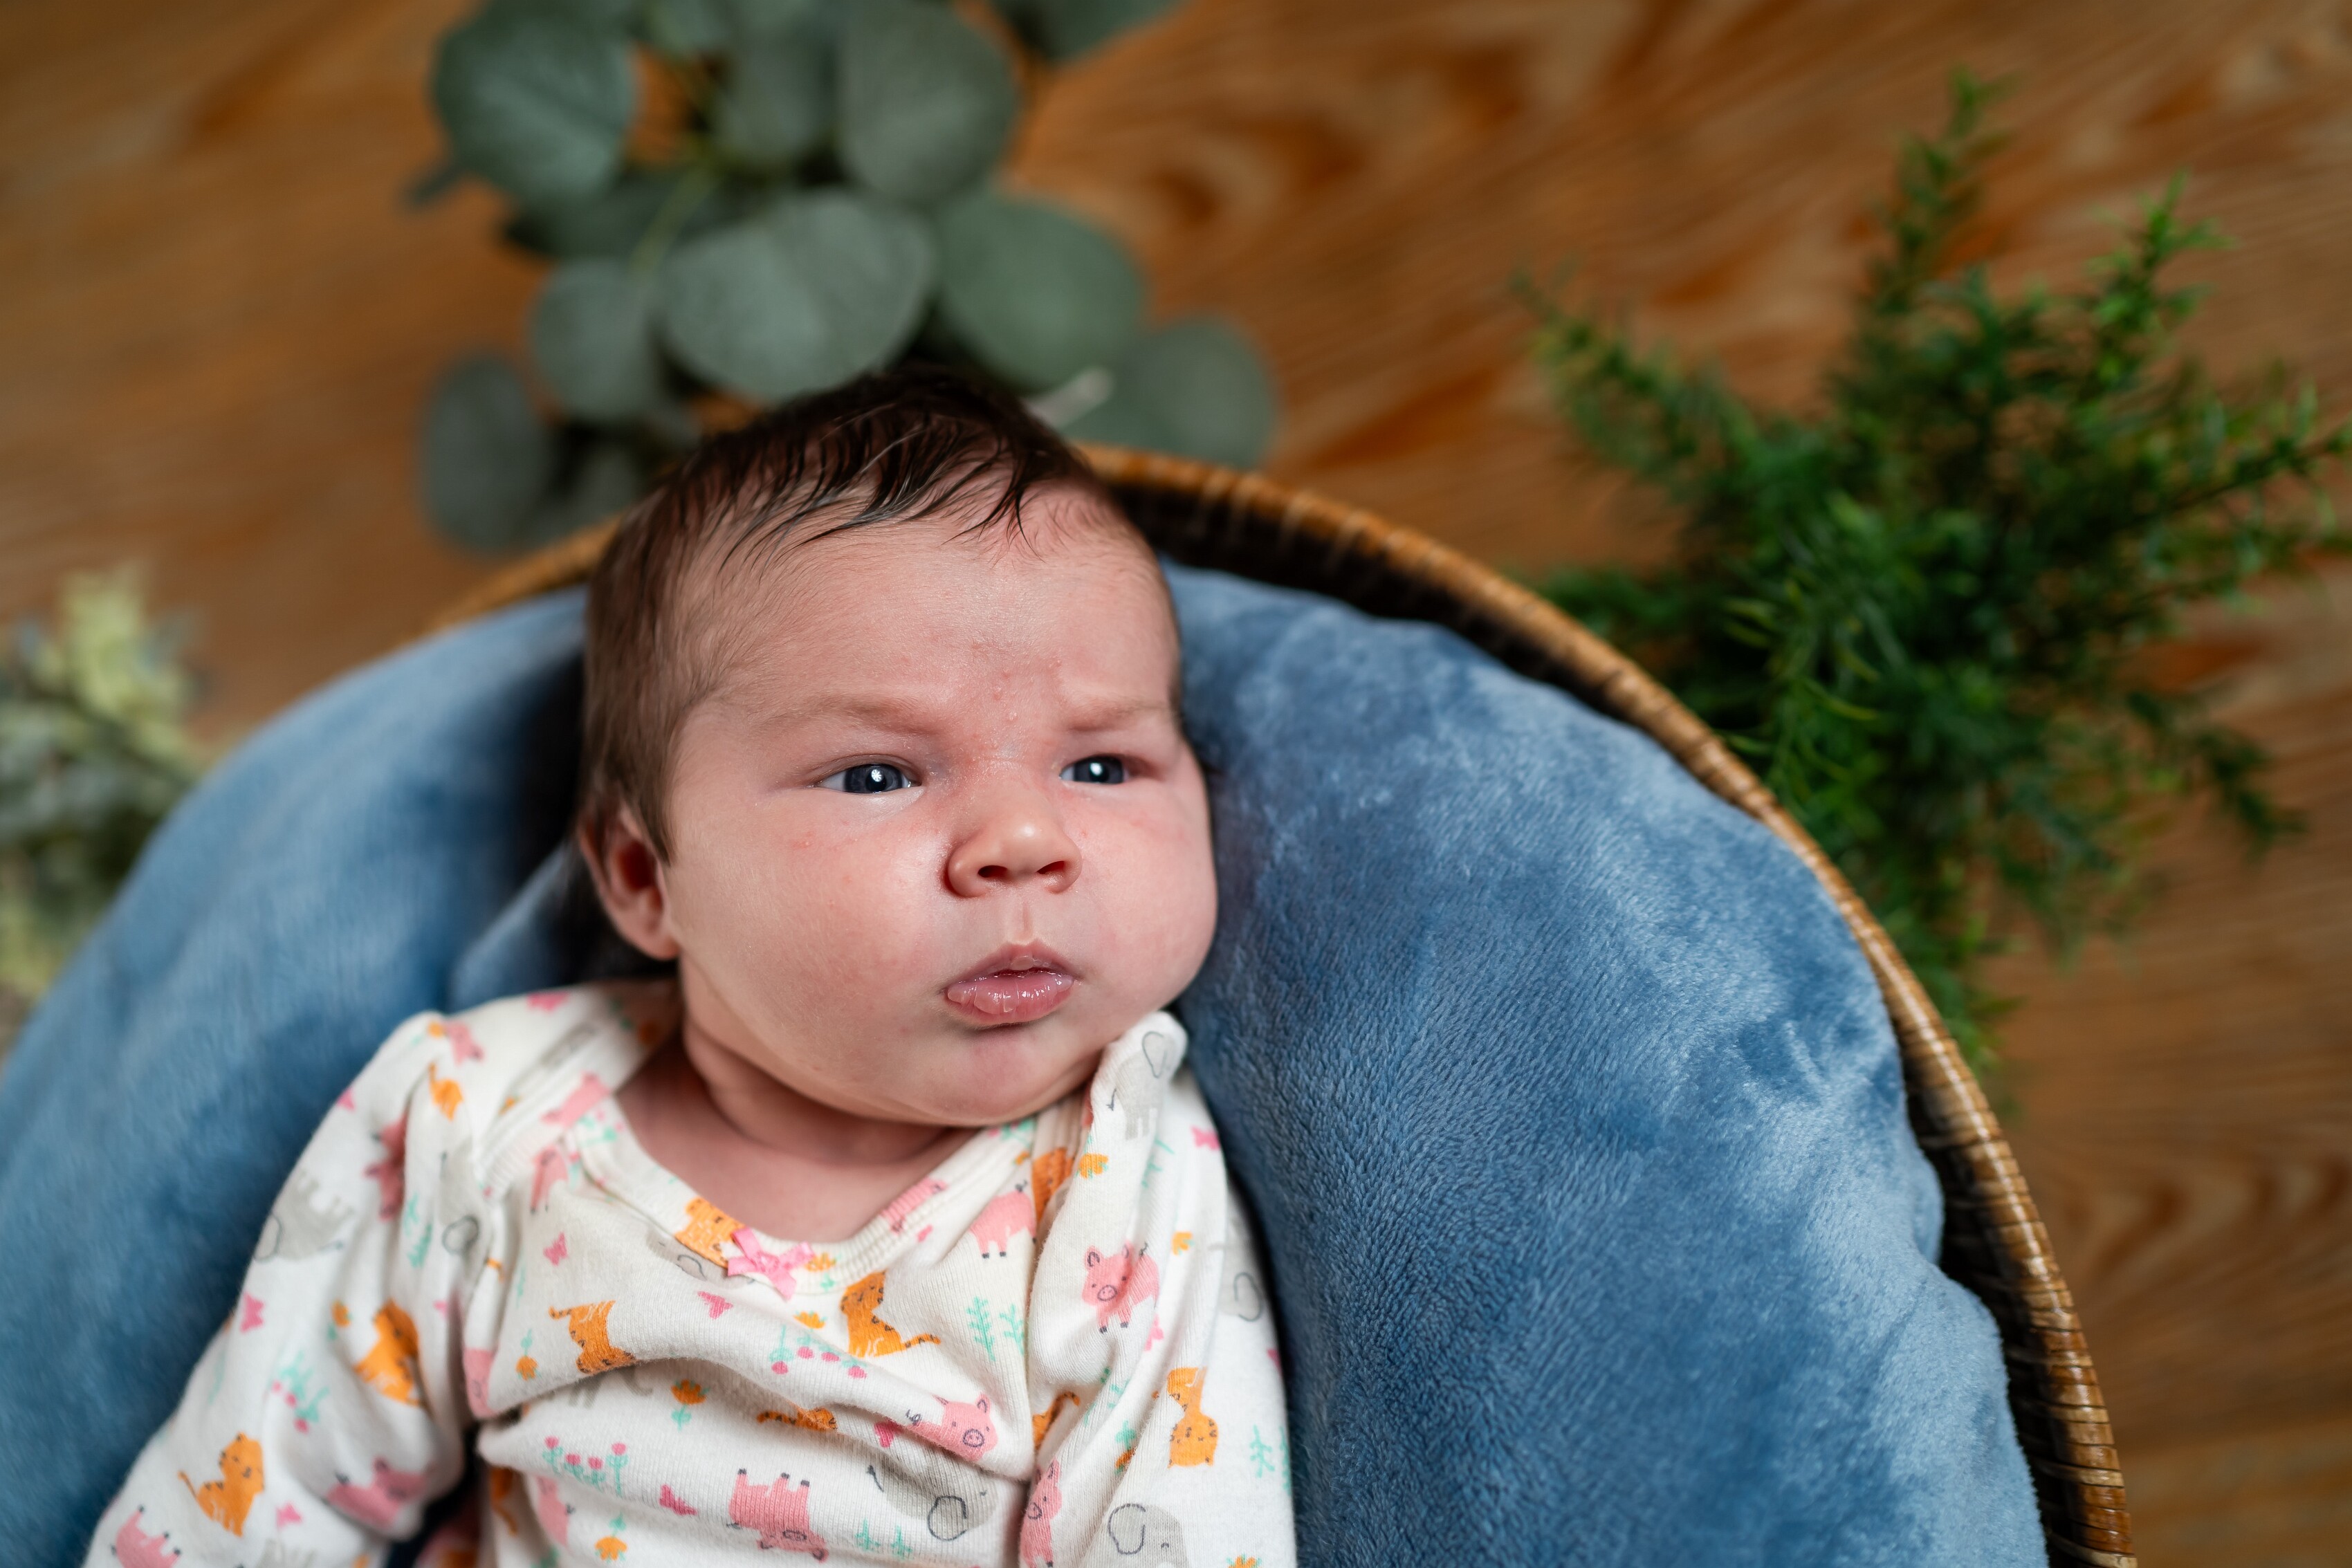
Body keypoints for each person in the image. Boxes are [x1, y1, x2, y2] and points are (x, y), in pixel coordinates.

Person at [84, 368, 1292, 1568]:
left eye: (1101, 767)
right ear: (645, 877)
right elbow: (246, 1497)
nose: (1025, 841)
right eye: (877, 775)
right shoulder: (483, 1121)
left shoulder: (1123, 1178)